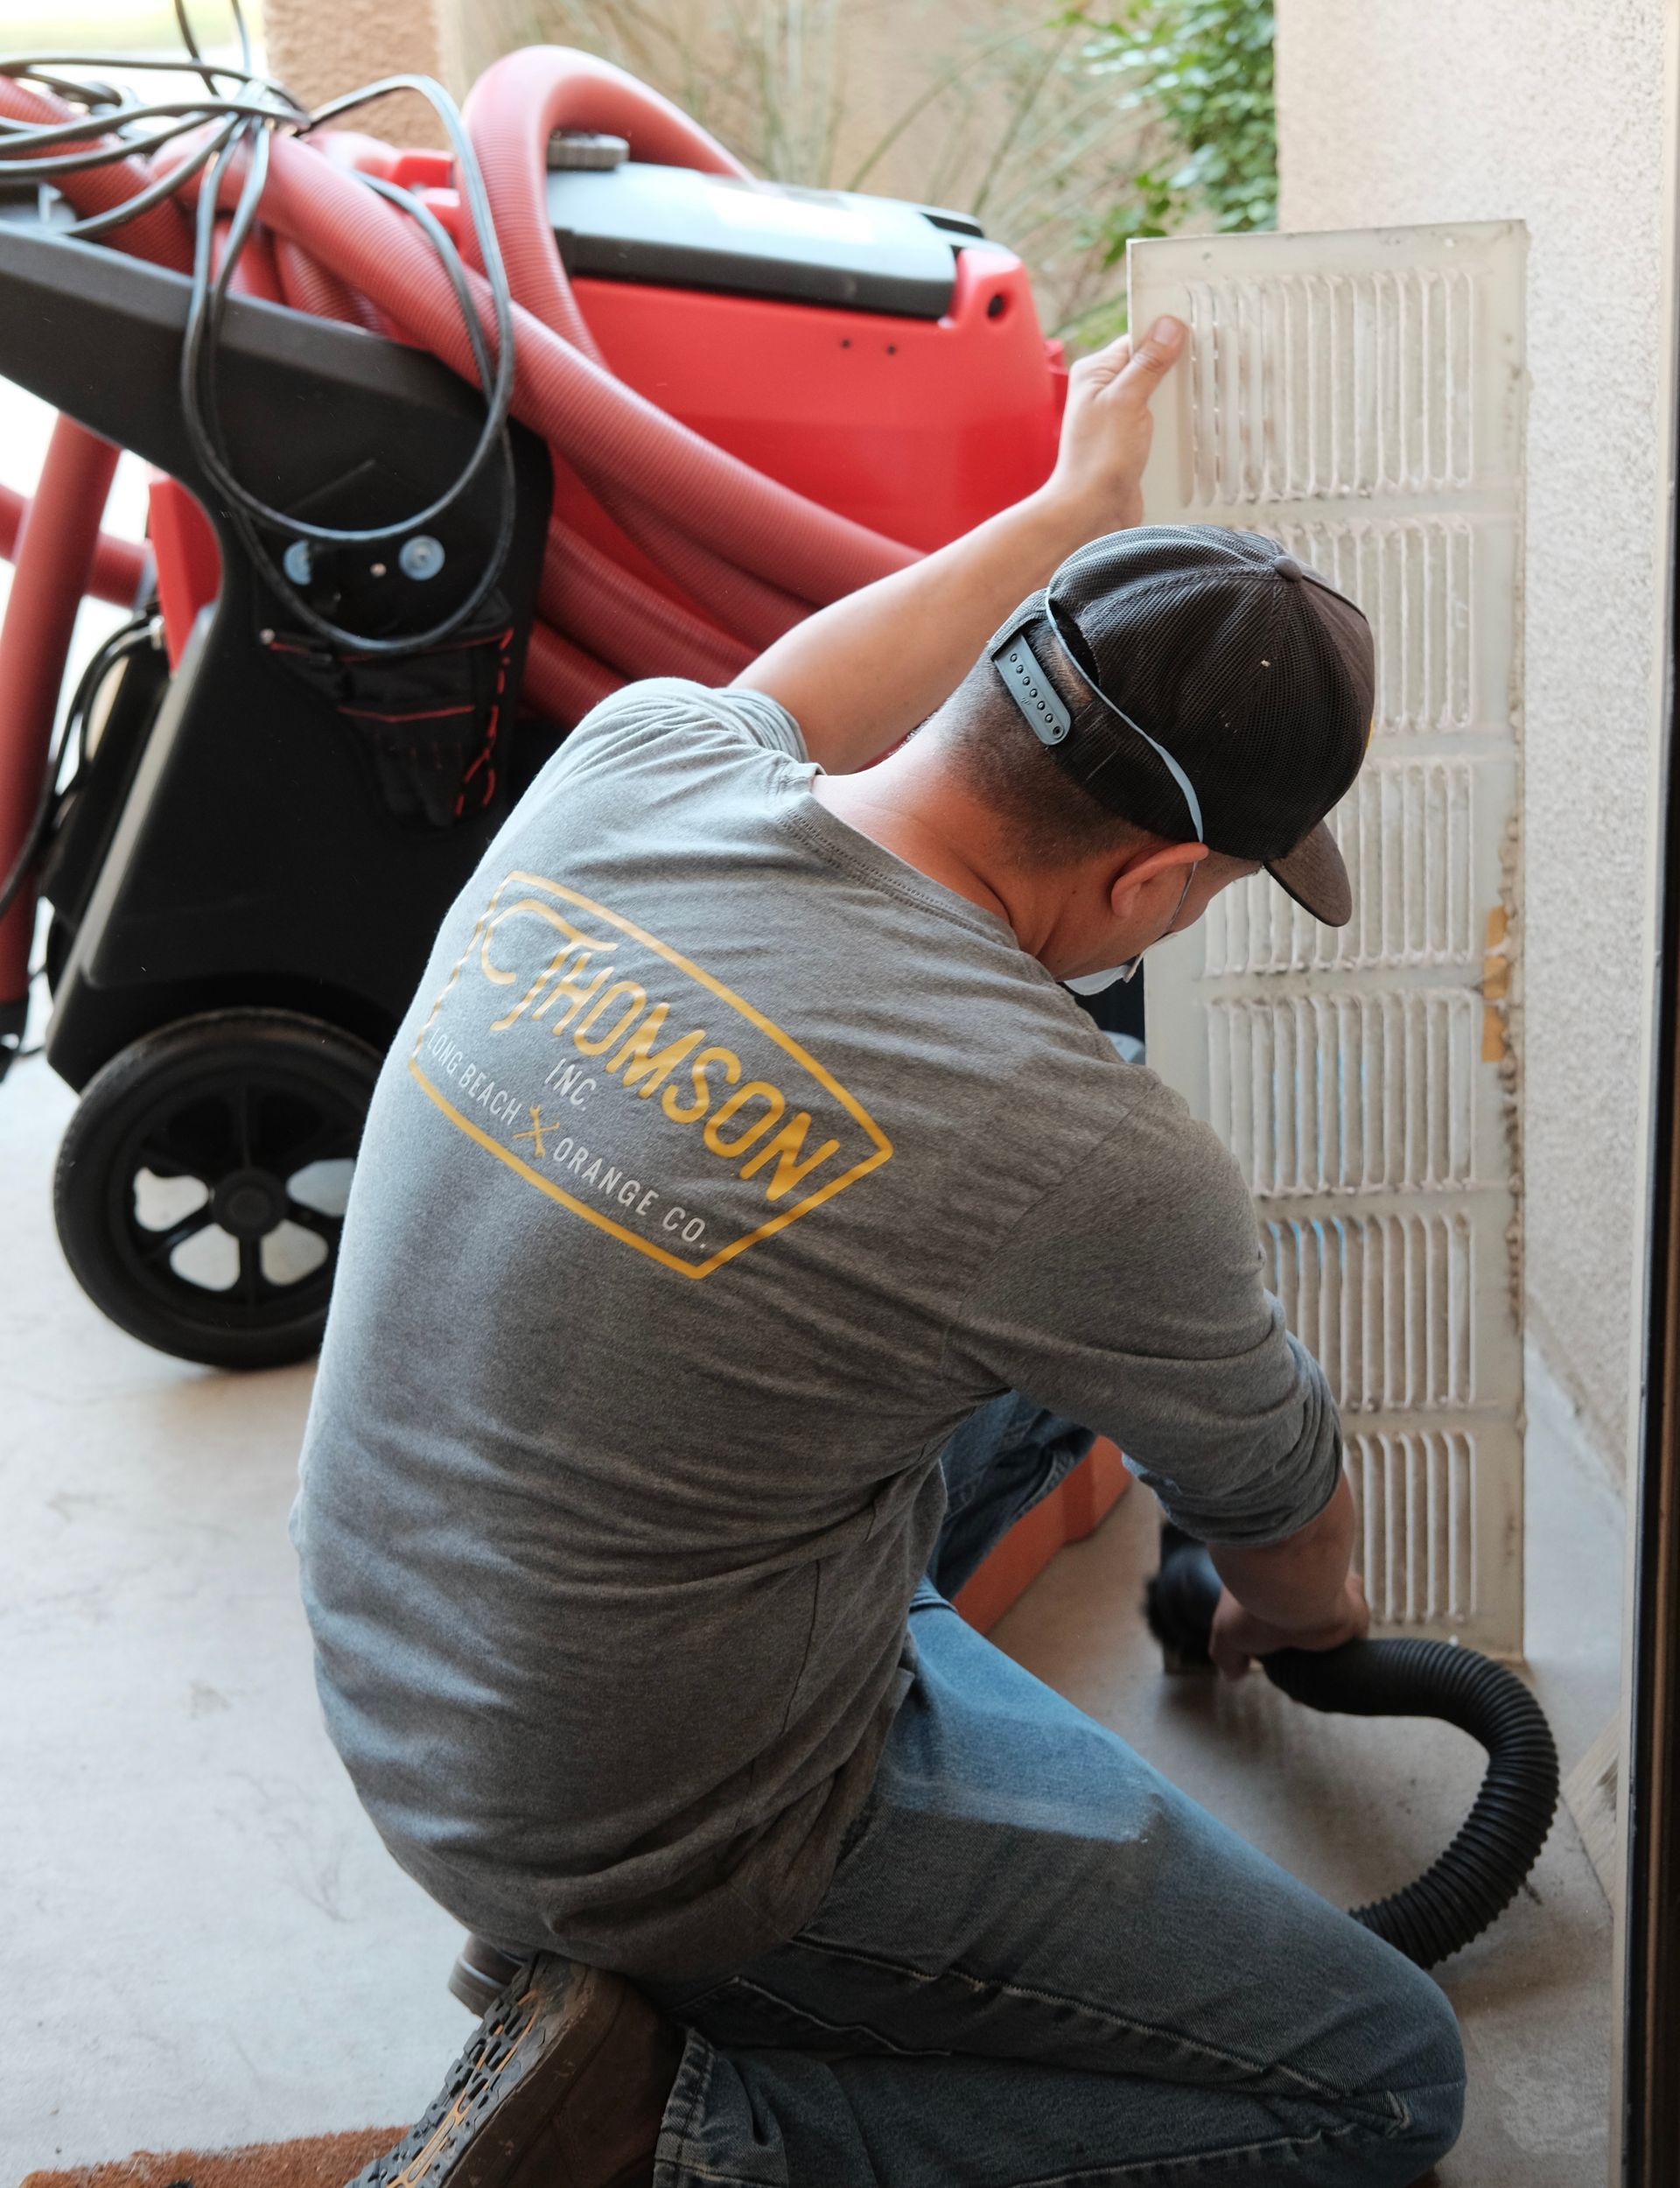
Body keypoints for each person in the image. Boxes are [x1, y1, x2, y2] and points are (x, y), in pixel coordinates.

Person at [290, 312, 1466, 2188]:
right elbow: (1283, 1503)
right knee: (1377, 2080)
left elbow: (821, 674)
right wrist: (1303, 1619)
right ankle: (667, 2131)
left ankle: (622, 1970)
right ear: (1157, 885)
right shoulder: (1075, 1138)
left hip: (403, 1658)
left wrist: (1073, 507)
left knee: (964, 1365)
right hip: (665, 1824)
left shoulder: (639, 765)